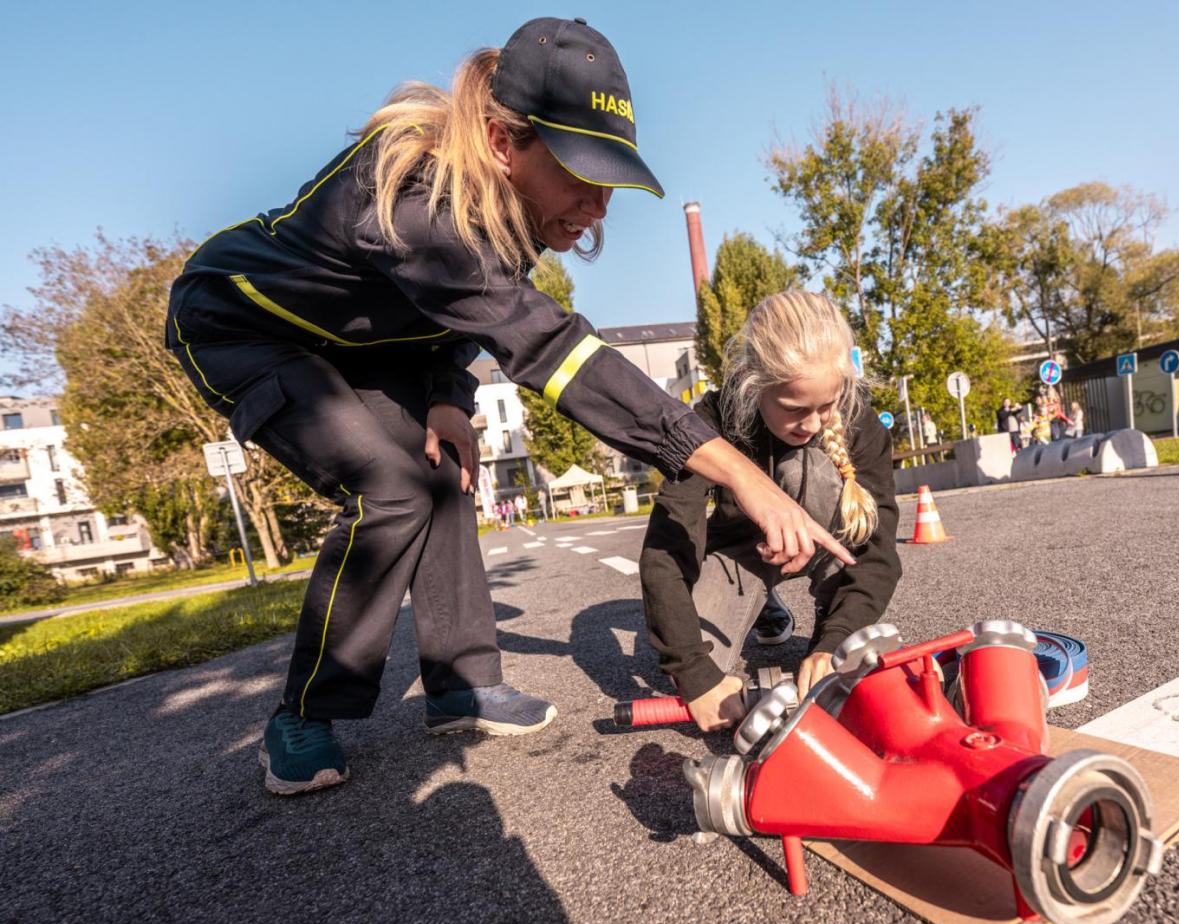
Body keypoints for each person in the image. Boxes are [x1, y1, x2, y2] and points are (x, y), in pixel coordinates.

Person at [166, 18, 852, 795]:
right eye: (580, 173)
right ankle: (301, 712)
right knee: (389, 489)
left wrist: (448, 399)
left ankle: (460, 682)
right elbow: (552, 350)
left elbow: (448, 324)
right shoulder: (417, 201)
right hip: (240, 325)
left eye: (609, 178)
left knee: (442, 467)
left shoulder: (505, 209)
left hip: (355, 346)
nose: (597, 204)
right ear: (501, 142)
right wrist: (737, 472)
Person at [639, 291, 902, 731]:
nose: (815, 423)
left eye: (827, 405)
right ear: (752, 381)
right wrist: (694, 672)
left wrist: (832, 643)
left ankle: (826, 608)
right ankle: (762, 599)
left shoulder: (862, 427)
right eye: (795, 410)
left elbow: (877, 555)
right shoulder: (708, 421)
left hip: (829, 547)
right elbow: (666, 549)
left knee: (811, 465)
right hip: (741, 556)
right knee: (696, 669)